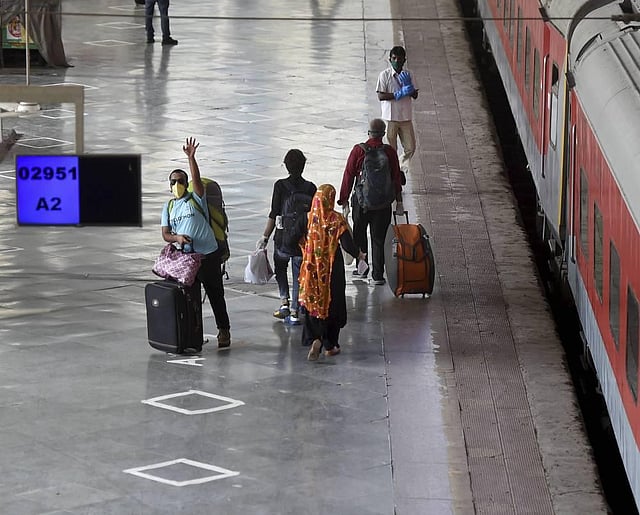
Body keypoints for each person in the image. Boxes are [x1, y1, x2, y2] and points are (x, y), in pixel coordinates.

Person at [161, 137, 231, 348]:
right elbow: (165, 234)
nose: (177, 185)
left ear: (186, 183)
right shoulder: (169, 207)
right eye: (173, 182)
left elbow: (197, 180)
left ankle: (224, 330)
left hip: (208, 255)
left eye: (181, 181)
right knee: (189, 299)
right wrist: (177, 238)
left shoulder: (195, 198)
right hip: (187, 259)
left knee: (215, 294)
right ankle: (192, 333)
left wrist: (191, 158)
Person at [293, 184, 363, 361]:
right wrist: (359, 255)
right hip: (332, 270)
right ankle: (330, 345)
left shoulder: (307, 218)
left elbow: (291, 238)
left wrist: (305, 248)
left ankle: (315, 339)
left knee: (312, 302)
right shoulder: (336, 219)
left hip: (311, 269)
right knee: (333, 304)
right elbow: (347, 245)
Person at [338, 118, 404, 285]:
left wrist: (344, 199)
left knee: (360, 235)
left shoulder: (358, 150)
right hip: (383, 204)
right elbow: (396, 178)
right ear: (383, 134)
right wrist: (399, 201)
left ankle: (362, 269)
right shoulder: (389, 152)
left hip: (362, 203)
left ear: (369, 133)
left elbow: (348, 175)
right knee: (379, 239)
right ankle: (378, 275)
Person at [257, 149, 316, 325]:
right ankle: (295, 311)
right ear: (303, 166)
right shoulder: (311, 188)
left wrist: (265, 237)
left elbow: (274, 213)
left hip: (283, 238)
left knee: (281, 268)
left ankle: (284, 302)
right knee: (299, 274)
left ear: (286, 166)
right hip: (301, 240)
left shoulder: (280, 186)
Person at [376, 46, 418, 174]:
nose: (396, 61)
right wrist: (397, 94)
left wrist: (409, 87)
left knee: (410, 147)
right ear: (390, 59)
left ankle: (400, 169)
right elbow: (381, 96)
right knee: (390, 149)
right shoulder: (384, 75)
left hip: (405, 117)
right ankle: (392, 172)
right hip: (390, 118)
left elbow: (415, 95)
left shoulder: (409, 75)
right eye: (394, 58)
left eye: (399, 59)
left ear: (404, 60)